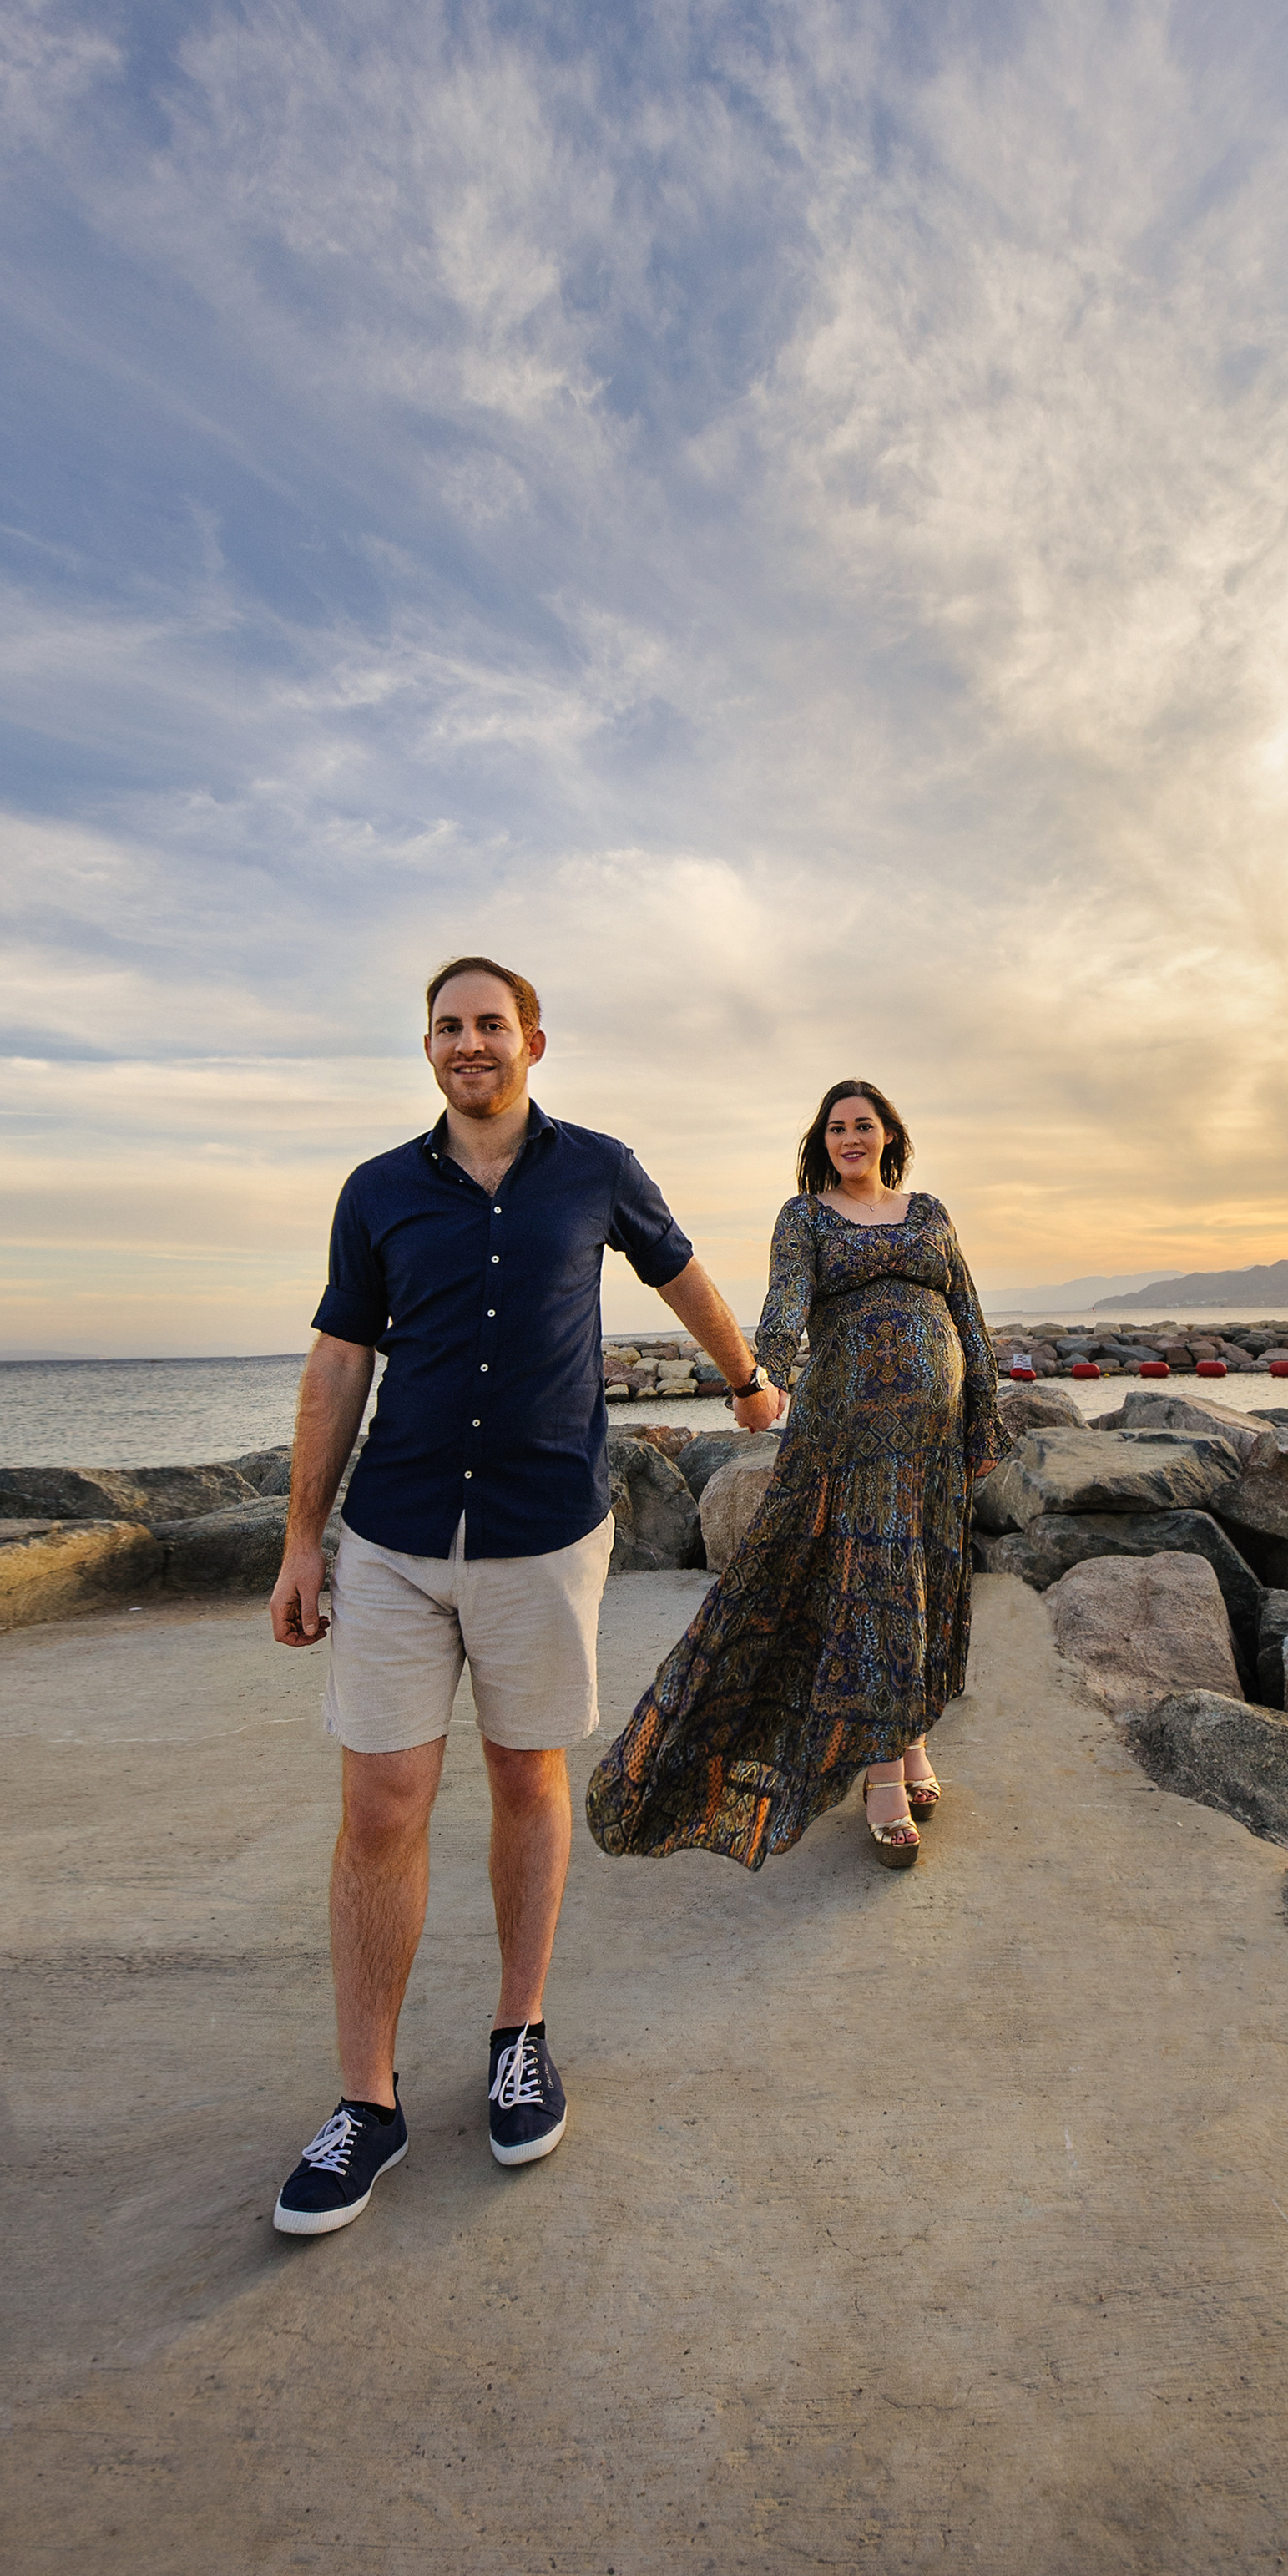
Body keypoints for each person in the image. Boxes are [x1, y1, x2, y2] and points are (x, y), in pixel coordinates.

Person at [265, 954, 780, 2237]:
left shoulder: (596, 1167)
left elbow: (679, 1271)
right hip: (394, 1536)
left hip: (543, 1532)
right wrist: (300, 1540)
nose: (470, 1044)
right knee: (380, 1803)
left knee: (524, 1778)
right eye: (448, 1027)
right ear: (427, 1048)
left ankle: (518, 2034)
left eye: (491, 1024)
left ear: (533, 1043)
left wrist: (746, 1381)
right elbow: (339, 1361)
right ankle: (366, 2102)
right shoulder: (376, 1191)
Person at [585, 1077, 1006, 1874]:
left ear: (888, 1136)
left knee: (922, 1581)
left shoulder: (930, 1213)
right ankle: (882, 1776)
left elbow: (968, 1317)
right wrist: (763, 1377)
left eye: (864, 1125)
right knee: (873, 1590)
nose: (851, 1138)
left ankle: (911, 1740)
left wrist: (984, 1417)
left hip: (933, 1439)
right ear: (823, 1142)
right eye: (837, 1128)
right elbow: (785, 1305)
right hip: (851, 1436)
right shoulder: (805, 1217)